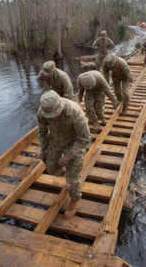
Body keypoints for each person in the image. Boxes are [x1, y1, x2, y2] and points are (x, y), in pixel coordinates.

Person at [37, 90, 91, 218]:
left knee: (72, 180)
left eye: (54, 115)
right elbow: (42, 130)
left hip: (74, 144)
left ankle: (75, 197)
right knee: (50, 168)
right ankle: (65, 173)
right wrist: (43, 147)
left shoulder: (75, 113)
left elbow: (85, 139)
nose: (52, 118)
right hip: (55, 140)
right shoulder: (43, 111)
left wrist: (67, 156)